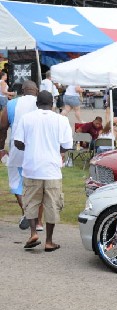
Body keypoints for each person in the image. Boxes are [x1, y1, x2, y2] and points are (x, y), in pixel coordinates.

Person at [13, 91, 72, 252]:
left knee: (31, 201)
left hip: (31, 167)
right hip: (52, 169)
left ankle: (33, 233)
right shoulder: (61, 120)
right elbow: (66, 145)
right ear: (52, 103)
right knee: (52, 204)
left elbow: (18, 142)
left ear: (37, 103)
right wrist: (54, 148)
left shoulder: (27, 118)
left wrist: (31, 147)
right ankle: (49, 241)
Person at [0, 80, 44, 231]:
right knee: (38, 185)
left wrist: (1, 149)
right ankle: (38, 222)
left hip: (18, 149)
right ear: (36, 90)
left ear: (23, 90)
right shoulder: (43, 103)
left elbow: (2, 128)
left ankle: (26, 212)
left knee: (17, 184)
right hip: (40, 150)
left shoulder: (12, 105)